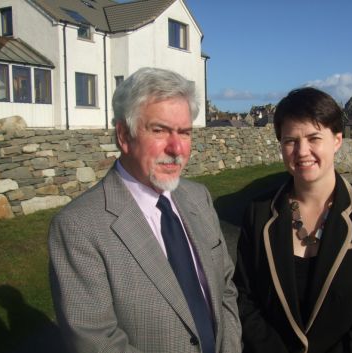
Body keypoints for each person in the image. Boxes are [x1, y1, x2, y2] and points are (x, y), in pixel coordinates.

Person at [49, 67, 242, 353]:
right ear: (124, 136)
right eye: (160, 130)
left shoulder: (198, 197)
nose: (177, 147)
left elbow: (225, 288)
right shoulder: (79, 227)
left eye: (185, 132)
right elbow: (95, 341)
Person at [233, 87, 352, 353]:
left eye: (314, 138)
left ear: (337, 140)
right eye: (290, 140)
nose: (302, 151)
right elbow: (244, 298)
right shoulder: (259, 212)